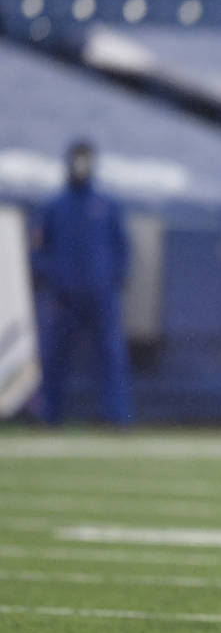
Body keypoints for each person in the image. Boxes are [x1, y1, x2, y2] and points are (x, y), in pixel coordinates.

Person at [29, 139, 133, 425]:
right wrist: (50, 278)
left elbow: (122, 247)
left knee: (110, 356)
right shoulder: (55, 205)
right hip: (63, 296)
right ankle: (49, 414)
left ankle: (115, 416)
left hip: (101, 294)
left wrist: (114, 280)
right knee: (54, 358)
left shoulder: (106, 204)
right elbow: (39, 248)